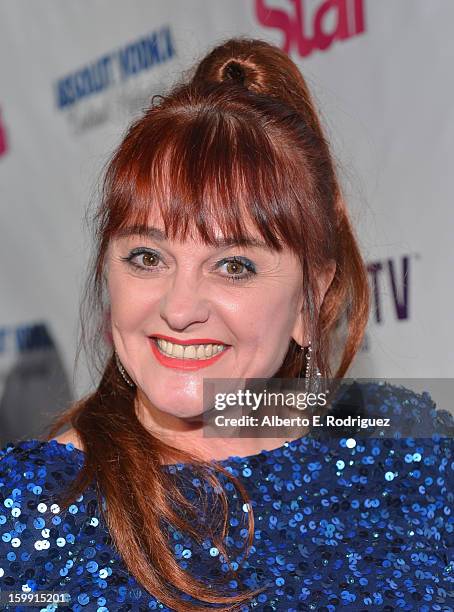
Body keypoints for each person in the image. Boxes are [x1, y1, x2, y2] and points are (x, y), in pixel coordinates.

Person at [0, 37, 452, 612]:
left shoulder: (413, 470)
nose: (180, 307)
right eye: (147, 257)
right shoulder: (34, 511)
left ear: (311, 295)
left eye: (234, 266)